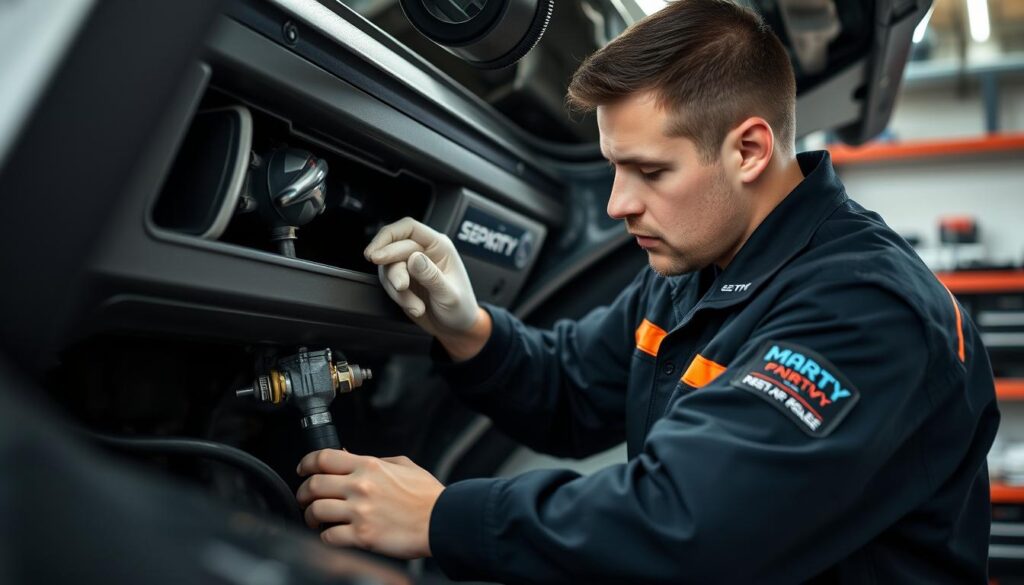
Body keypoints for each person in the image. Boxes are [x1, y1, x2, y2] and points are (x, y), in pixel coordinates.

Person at [295, 0, 1000, 582]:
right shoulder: (699, 269)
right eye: (611, 167)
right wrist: (467, 325)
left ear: (750, 150)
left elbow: (694, 521)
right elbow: (571, 389)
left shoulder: (869, 309)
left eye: (649, 171)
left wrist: (439, 515)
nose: (617, 204)